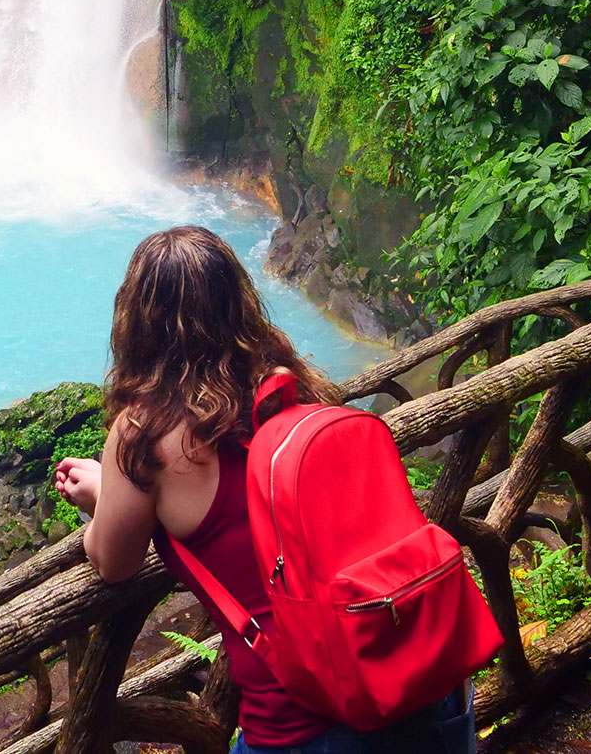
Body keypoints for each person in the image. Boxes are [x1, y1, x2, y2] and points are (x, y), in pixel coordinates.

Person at [51, 225, 476, 754]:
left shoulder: (144, 435)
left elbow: (113, 562)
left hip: (316, 723)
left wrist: (103, 503)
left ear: (136, 322)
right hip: (423, 676)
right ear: (238, 300)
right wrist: (115, 489)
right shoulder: (288, 383)